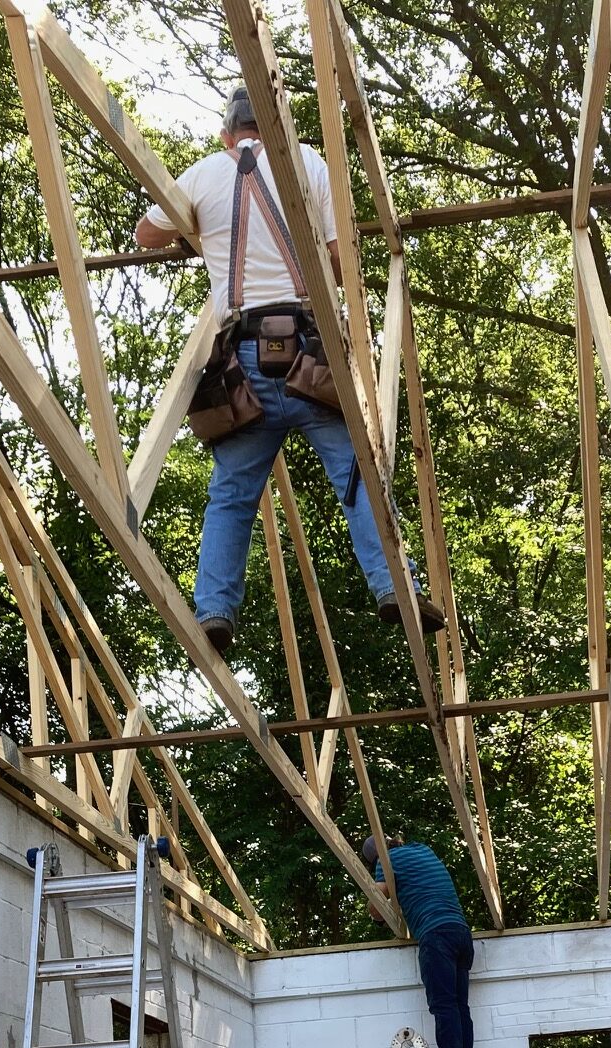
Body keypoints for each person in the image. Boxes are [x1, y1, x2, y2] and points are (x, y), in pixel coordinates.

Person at [134, 86, 446, 655]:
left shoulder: (203, 174)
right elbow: (334, 253)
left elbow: (146, 234)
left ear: (228, 135)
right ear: (276, 127)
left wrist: (194, 232)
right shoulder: (306, 162)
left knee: (231, 496)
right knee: (359, 479)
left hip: (243, 368)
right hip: (310, 358)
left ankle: (214, 612)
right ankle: (393, 588)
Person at [363, 834, 482, 1048]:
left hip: (435, 934)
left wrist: (374, 913)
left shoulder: (386, 860)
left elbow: (378, 898)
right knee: (459, 1008)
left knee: (443, 1007)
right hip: (461, 933)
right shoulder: (422, 849)